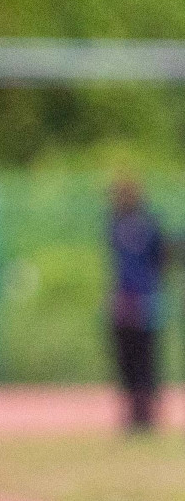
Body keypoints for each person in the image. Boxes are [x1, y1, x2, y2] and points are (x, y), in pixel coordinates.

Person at [107, 178, 164, 431]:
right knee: (136, 360)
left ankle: (143, 413)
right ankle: (138, 413)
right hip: (134, 301)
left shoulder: (116, 225)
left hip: (136, 301)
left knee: (138, 359)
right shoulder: (125, 224)